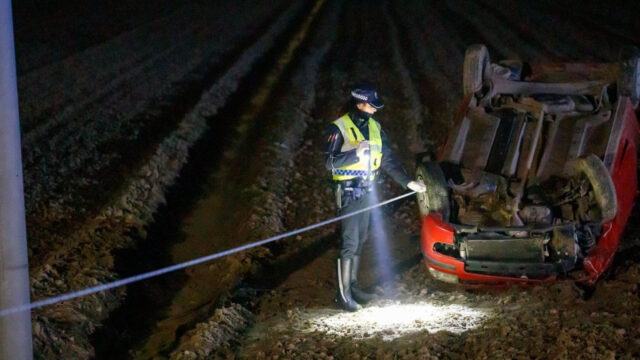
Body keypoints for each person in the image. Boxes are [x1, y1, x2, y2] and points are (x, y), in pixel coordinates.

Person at [325, 82, 426, 311]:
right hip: (349, 193)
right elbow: (328, 163)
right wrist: (354, 154)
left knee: (359, 240)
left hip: (367, 192)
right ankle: (343, 296)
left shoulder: (375, 128)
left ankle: (353, 286)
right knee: (349, 243)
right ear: (360, 104)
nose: (375, 110)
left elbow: (388, 160)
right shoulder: (338, 128)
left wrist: (408, 182)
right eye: (371, 106)